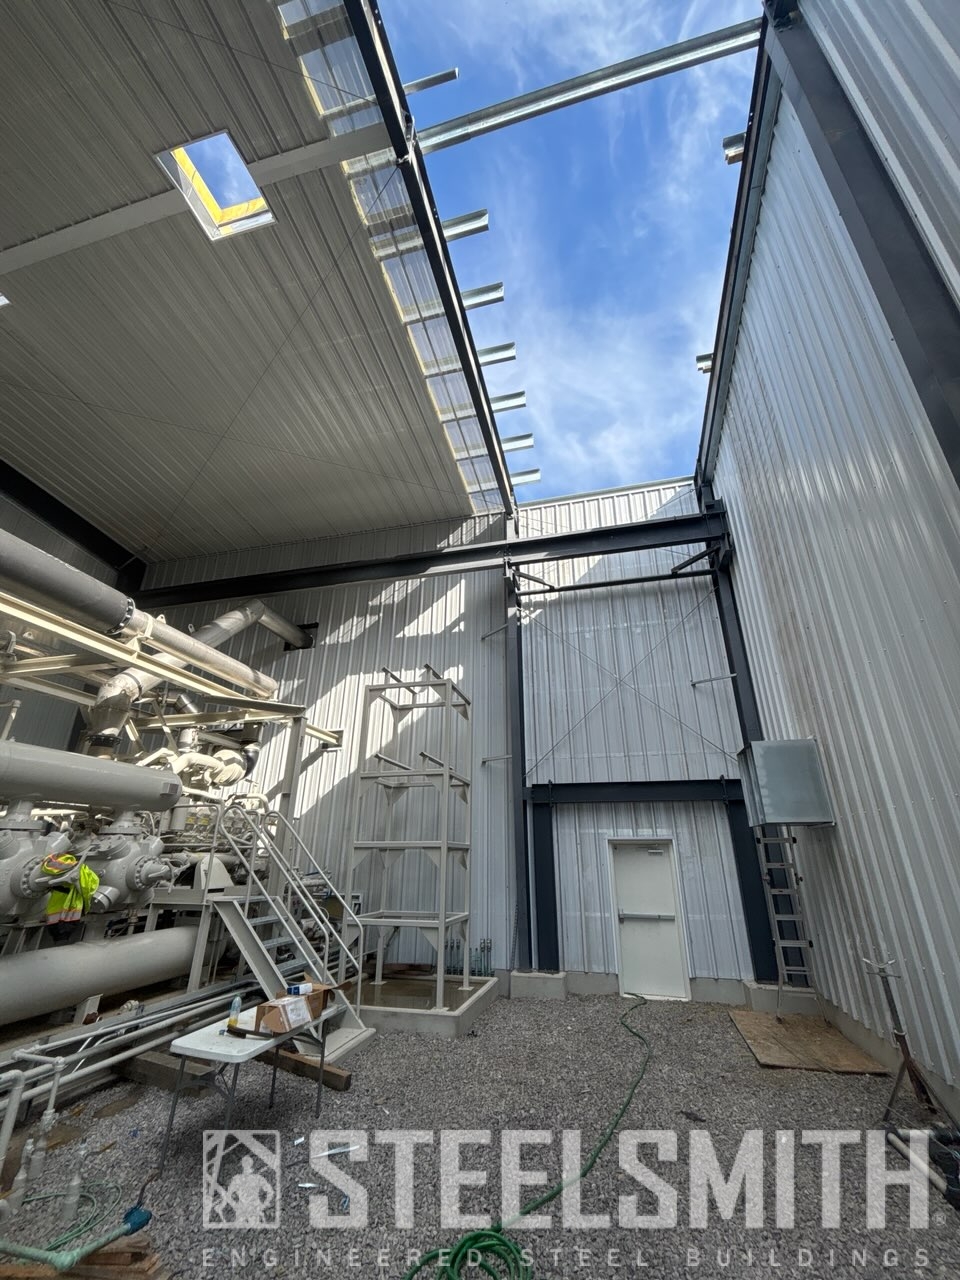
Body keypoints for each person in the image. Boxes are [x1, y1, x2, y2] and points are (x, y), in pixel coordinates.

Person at [224, 1155, 275, 1225]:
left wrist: (236, 1206)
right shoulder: (257, 1178)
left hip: (248, 1209)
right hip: (252, 1208)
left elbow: (228, 1195)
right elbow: (270, 1191)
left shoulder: (237, 1179)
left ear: (242, 1165)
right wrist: (264, 1204)